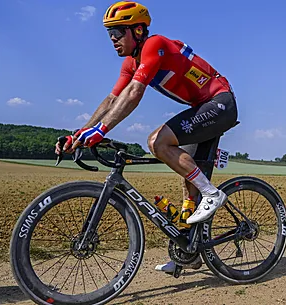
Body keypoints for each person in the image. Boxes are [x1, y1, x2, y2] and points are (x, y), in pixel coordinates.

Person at [55, 1, 238, 274]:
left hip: (219, 102)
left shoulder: (154, 45)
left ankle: (213, 193)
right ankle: (190, 253)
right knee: (187, 185)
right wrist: (81, 133)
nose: (113, 39)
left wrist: (101, 131)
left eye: (118, 32)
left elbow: (134, 93)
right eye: (109, 34)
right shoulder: (131, 62)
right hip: (200, 108)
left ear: (138, 31)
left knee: (157, 141)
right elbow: (112, 99)